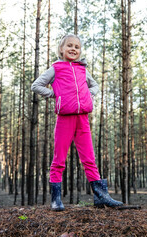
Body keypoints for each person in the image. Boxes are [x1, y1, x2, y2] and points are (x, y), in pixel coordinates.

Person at [31, 34, 123, 211]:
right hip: (65, 119)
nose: (73, 49)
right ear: (61, 49)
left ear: (80, 51)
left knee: (89, 159)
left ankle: (100, 196)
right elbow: (36, 85)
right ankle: (56, 199)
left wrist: (89, 94)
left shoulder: (82, 69)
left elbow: (95, 85)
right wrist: (55, 95)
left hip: (83, 120)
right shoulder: (56, 68)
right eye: (69, 46)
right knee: (59, 159)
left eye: (77, 47)